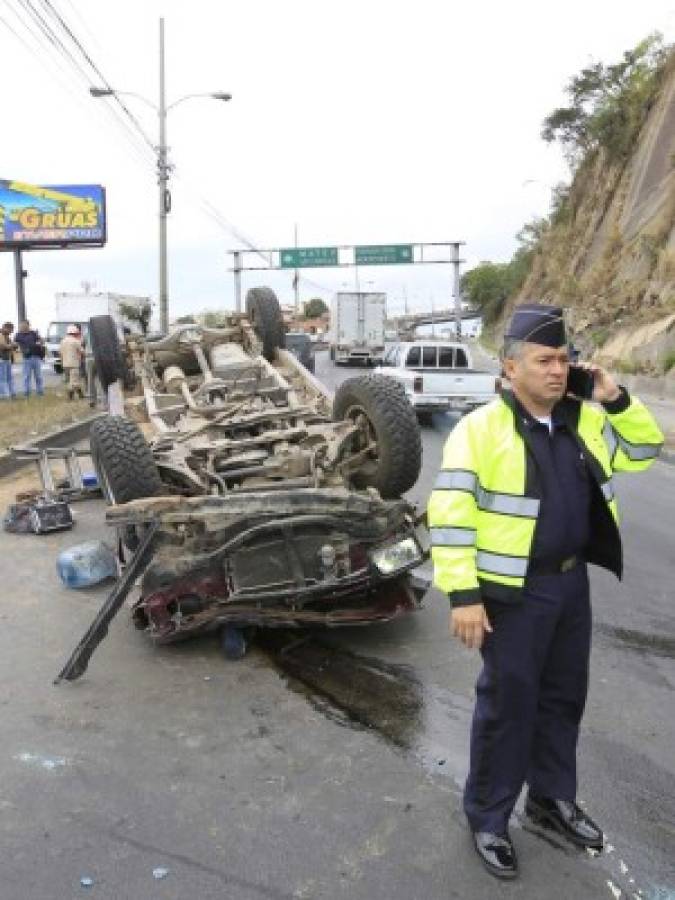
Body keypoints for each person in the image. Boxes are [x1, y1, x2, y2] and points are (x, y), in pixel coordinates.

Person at [428, 303, 664, 880]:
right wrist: (463, 596)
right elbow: (451, 514)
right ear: (510, 368)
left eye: (564, 360)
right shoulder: (479, 431)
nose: (558, 371)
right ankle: (488, 817)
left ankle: (551, 798)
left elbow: (644, 451)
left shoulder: (584, 419)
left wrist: (614, 397)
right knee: (508, 708)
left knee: (563, 700)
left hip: (570, 586)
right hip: (512, 596)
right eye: (544, 360)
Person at [14, 320, 45, 398]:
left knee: (38, 376)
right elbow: (15, 345)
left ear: (28, 325)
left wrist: (40, 340)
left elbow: (41, 342)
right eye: (21, 326)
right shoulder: (18, 335)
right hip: (26, 358)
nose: (22, 327)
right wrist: (18, 349)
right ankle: (26, 393)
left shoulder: (33, 333)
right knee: (26, 376)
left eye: (24, 325)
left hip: (36, 357)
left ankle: (40, 393)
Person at [59, 324, 85, 400]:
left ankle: (80, 395)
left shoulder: (63, 341)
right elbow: (82, 351)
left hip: (65, 363)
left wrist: (62, 361)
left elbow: (60, 352)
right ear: (74, 333)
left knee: (70, 380)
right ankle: (71, 396)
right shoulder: (75, 341)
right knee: (74, 380)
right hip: (74, 363)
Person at [0, 321, 18, 400]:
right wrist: (12, 345)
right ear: (5, 328)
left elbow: (13, 346)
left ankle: (12, 393)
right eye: (10, 330)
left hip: (7, 359)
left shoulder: (7, 336)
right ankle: (5, 395)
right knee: (3, 379)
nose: (11, 332)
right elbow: (3, 346)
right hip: (1, 359)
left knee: (9, 378)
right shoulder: (1, 335)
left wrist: (13, 345)